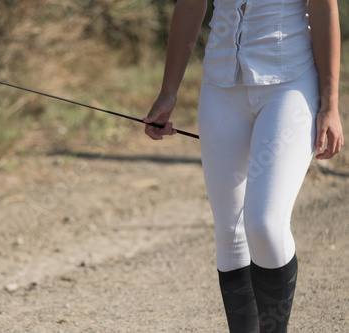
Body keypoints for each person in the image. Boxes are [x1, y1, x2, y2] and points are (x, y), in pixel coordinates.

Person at [143, 0, 344, 332]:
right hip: (221, 85)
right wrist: (168, 93)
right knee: (230, 233)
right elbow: (190, 6)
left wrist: (330, 104)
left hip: (290, 84)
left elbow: (324, 9)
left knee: (264, 223)